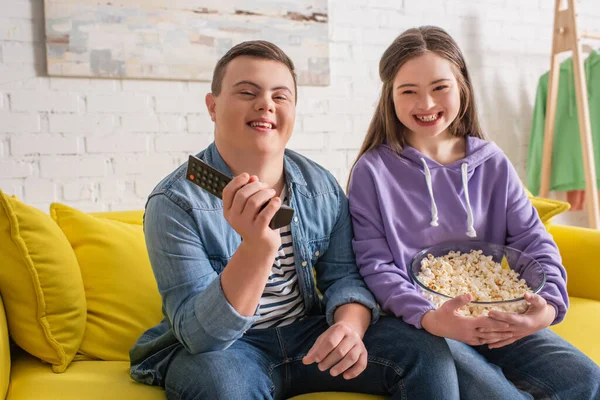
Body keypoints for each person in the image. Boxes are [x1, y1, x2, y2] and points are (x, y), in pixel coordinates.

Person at [129, 40, 459, 400]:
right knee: (220, 385)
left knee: (425, 352)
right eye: (247, 92)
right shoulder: (175, 203)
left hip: (307, 334)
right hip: (227, 351)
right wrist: (257, 249)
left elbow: (344, 277)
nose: (266, 104)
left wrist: (349, 327)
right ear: (212, 106)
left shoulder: (320, 187)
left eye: (280, 96)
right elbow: (201, 336)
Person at [347, 26, 600, 399]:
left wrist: (548, 308)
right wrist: (432, 318)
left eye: (439, 87)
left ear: (462, 85)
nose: (427, 104)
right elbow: (375, 264)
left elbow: (532, 239)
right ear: (390, 96)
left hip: (497, 310)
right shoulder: (373, 171)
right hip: (420, 324)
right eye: (409, 91)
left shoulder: (492, 162)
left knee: (586, 380)